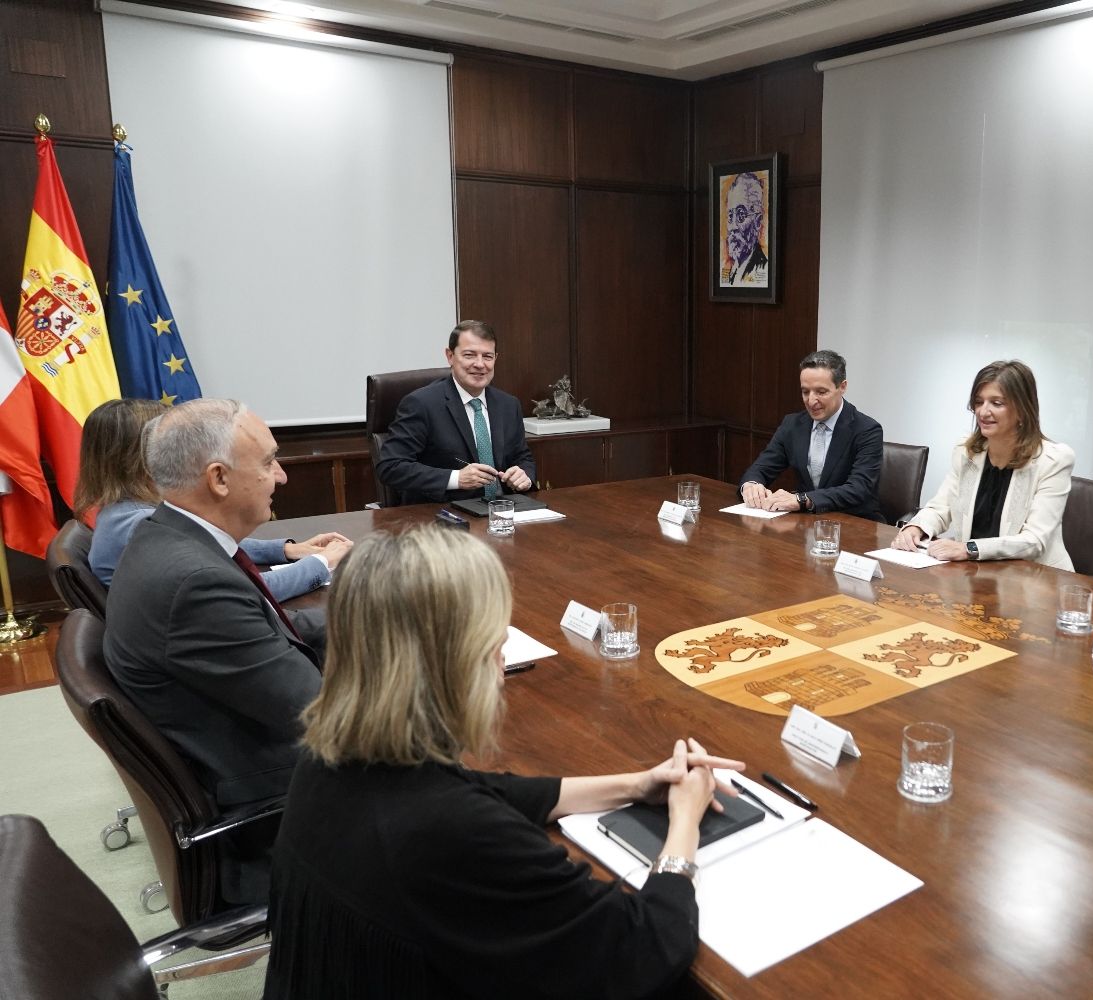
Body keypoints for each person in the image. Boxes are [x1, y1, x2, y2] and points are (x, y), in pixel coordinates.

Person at [262, 526, 744, 999]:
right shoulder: (453, 832)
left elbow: (477, 789)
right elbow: (645, 949)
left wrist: (639, 784)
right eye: (494, 644)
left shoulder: (329, 757)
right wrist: (685, 825)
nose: (501, 663)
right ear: (457, 664)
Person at [104, 399, 326, 904]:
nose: (282, 476)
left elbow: (274, 630)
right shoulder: (195, 583)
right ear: (219, 479)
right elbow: (323, 712)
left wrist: (395, 627)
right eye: (269, 462)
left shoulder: (169, 539)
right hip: (279, 807)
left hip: (245, 759)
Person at [74, 398, 349, 595]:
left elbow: (210, 540)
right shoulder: (142, 525)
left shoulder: (124, 511)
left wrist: (286, 550)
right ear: (146, 457)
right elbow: (255, 594)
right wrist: (323, 563)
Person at [892, 360, 1074, 568]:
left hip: (1036, 581)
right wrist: (917, 527)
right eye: (979, 402)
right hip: (977, 574)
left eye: (997, 403)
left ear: (1023, 410)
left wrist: (968, 549)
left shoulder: (1054, 460)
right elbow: (941, 507)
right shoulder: (967, 452)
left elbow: (1033, 542)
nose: (983, 411)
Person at [375, 320, 536, 505]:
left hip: (502, 511)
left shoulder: (508, 404)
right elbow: (391, 467)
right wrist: (456, 478)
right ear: (450, 356)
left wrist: (525, 475)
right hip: (443, 516)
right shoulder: (421, 404)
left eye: (487, 356)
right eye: (469, 355)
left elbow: (522, 456)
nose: (480, 364)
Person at [738, 349, 884, 520]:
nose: (811, 401)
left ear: (842, 387)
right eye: (805, 391)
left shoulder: (867, 429)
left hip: (854, 524)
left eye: (821, 392)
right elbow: (761, 468)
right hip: (806, 523)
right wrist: (751, 486)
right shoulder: (792, 424)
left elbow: (858, 489)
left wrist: (802, 499)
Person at [721, 171, 769, 286]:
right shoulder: (729, 269)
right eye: (730, 216)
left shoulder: (762, 267)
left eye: (741, 215)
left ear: (757, 222)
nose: (732, 226)